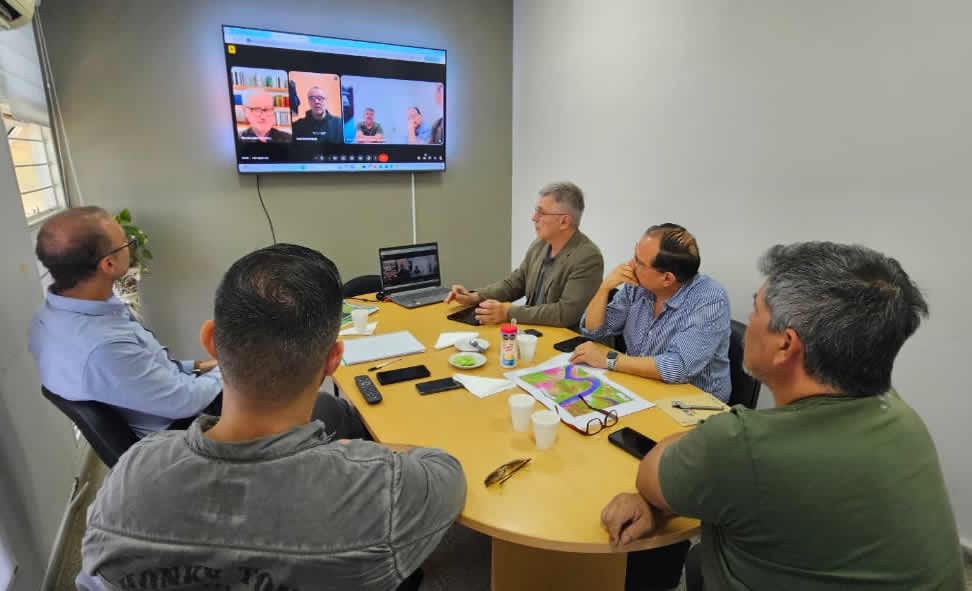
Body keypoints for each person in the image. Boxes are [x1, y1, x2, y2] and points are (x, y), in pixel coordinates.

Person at [79, 244, 467, 591]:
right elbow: (446, 469)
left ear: (211, 341)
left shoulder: (131, 476)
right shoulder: (381, 487)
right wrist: (374, 453)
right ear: (333, 359)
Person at [600, 242, 967, 590]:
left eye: (756, 309)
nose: (746, 322)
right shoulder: (901, 414)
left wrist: (682, 474)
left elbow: (650, 477)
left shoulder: (743, 444)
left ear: (786, 345)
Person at [29, 207, 223, 436]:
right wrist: (233, 369)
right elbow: (185, 401)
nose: (130, 247)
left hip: (173, 400)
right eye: (126, 243)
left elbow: (142, 373)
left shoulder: (47, 318)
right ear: (109, 264)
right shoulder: (103, 347)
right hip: (183, 430)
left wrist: (202, 367)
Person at [572, 223, 731, 402]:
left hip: (693, 404)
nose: (630, 264)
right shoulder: (638, 286)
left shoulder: (710, 299)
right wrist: (604, 288)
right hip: (641, 386)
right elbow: (595, 331)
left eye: (639, 262)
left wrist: (609, 359)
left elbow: (677, 367)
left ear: (667, 278)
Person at [445, 181, 604, 327]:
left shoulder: (588, 257)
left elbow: (565, 314)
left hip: (563, 340)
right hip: (532, 332)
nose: (534, 218)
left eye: (542, 213)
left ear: (564, 221)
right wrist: (475, 297)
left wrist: (508, 313)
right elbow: (515, 283)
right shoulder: (540, 244)